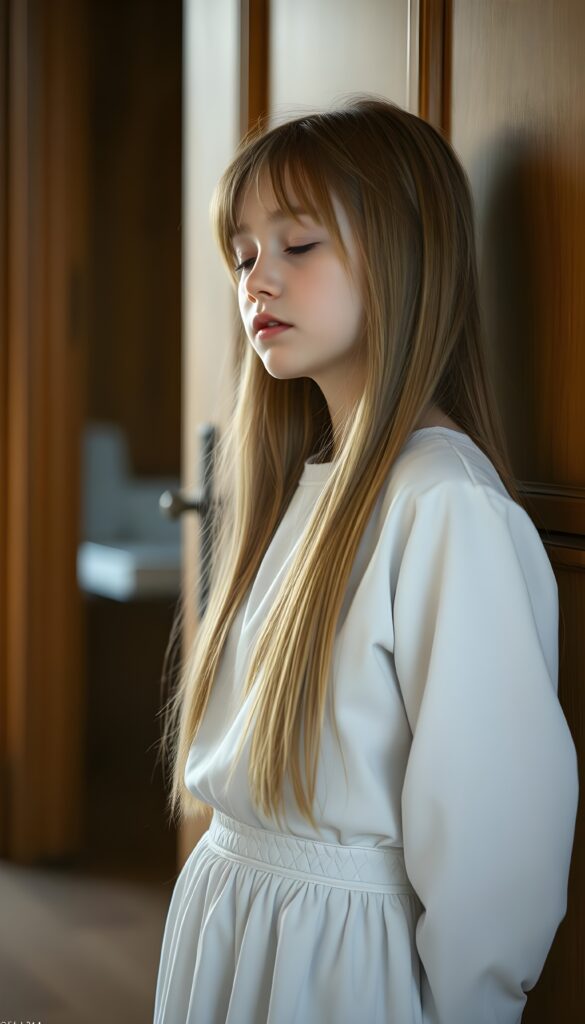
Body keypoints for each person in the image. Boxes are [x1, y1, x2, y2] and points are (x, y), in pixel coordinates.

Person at [152, 96, 579, 1024]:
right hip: (237, 931)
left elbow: (496, 842)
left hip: (337, 971)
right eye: (243, 254)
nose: (257, 280)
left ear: (401, 256)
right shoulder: (304, 487)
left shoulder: (443, 505)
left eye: (297, 245)